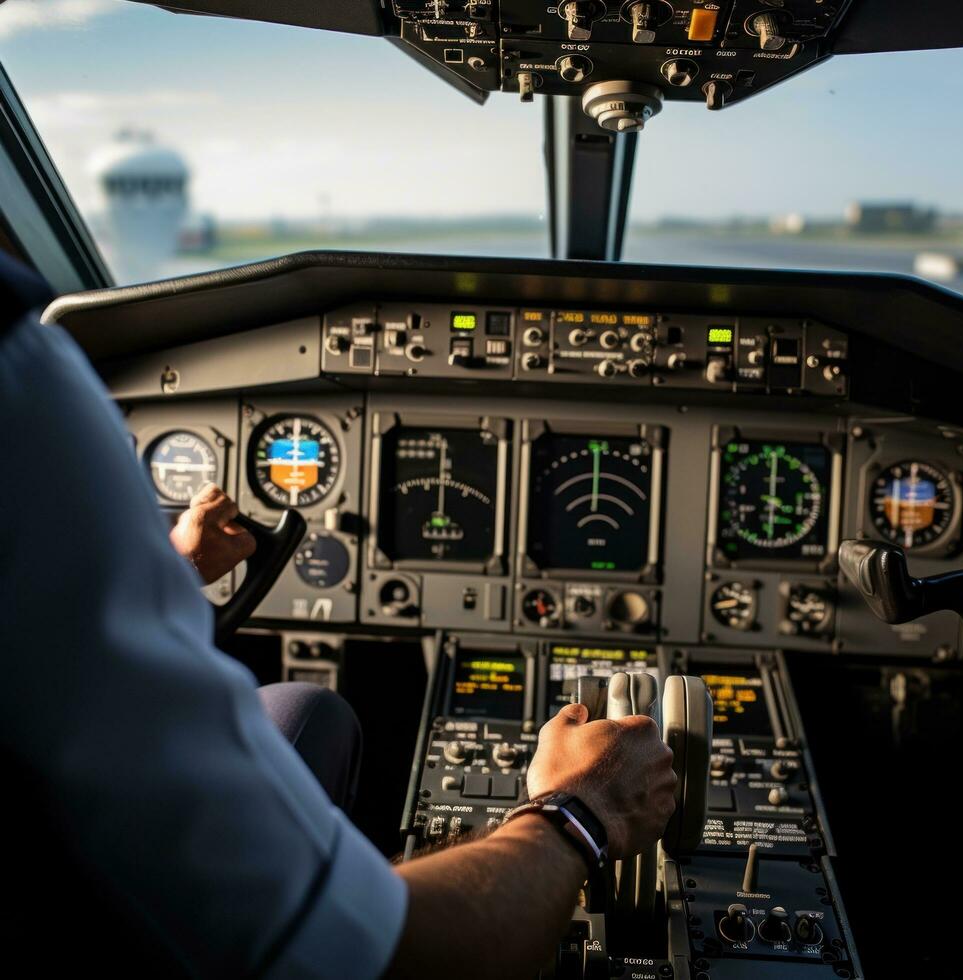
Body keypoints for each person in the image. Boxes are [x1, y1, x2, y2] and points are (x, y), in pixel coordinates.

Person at [1, 252, 677, 979]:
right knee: (313, 710)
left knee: (305, 707)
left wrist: (166, 574)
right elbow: (405, 961)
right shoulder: (21, 378)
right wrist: (583, 809)